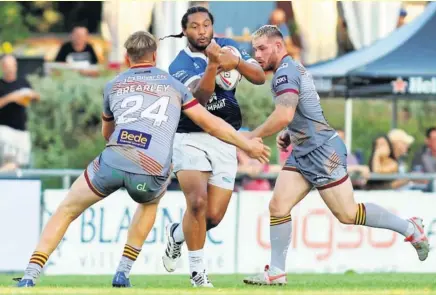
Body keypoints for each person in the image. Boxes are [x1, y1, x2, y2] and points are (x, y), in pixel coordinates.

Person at [15, 30, 270, 288]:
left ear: (127, 58)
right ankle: (122, 273)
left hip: (114, 160)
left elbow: (107, 133)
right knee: (149, 202)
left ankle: (30, 274)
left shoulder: (113, 85)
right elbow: (212, 124)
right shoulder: (174, 85)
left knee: (66, 209)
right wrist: (245, 143)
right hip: (150, 169)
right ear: (155, 57)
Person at [242, 25, 429, 286]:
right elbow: (301, 110)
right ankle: (276, 271)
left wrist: (251, 136)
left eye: (262, 49)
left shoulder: (285, 72)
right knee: (278, 206)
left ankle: (410, 228)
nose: (258, 55)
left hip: (321, 152)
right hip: (304, 150)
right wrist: (289, 131)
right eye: (254, 50)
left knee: (348, 214)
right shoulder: (289, 70)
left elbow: (285, 113)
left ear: (278, 46)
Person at [159, 6, 266, 287]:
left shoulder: (230, 47)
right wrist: (213, 65)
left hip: (225, 139)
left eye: (206, 25)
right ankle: (197, 274)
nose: (201, 30)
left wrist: (237, 64)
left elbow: (259, 76)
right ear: (184, 31)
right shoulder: (178, 65)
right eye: (194, 26)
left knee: (213, 217)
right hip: (190, 137)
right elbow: (201, 101)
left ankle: (176, 234)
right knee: (196, 203)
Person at [0, 55, 40, 171]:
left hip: (21, 130)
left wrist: (31, 95)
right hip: (5, 129)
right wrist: (11, 97)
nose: (11, 69)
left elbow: (36, 97)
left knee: (20, 163)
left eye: (12, 65)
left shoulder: (23, 82)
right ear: (3, 67)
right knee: (9, 159)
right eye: (7, 66)